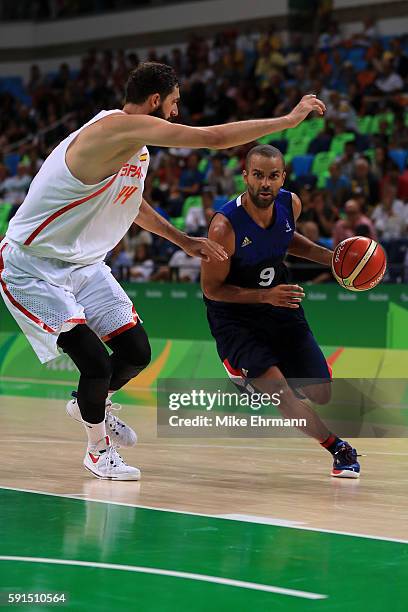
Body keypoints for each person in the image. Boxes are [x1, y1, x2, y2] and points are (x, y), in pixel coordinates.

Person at [0, 62, 325, 481]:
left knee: (136, 352)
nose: (175, 113)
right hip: (31, 265)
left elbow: (132, 202)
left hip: (81, 264)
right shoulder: (114, 130)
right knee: (95, 363)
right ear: (155, 101)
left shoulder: (133, 149)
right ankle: (98, 450)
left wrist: (183, 241)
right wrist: (289, 119)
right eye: (173, 104)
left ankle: (89, 404)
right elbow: (213, 139)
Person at [201, 144, 360, 478]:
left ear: (282, 177)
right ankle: (337, 448)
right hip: (235, 317)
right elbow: (211, 289)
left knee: (322, 393)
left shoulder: (291, 204)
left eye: (273, 176)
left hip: (280, 302)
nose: (265, 184)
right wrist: (264, 297)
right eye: (258, 175)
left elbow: (288, 239)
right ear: (245, 176)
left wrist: (333, 259)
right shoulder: (224, 227)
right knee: (281, 395)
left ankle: (262, 376)